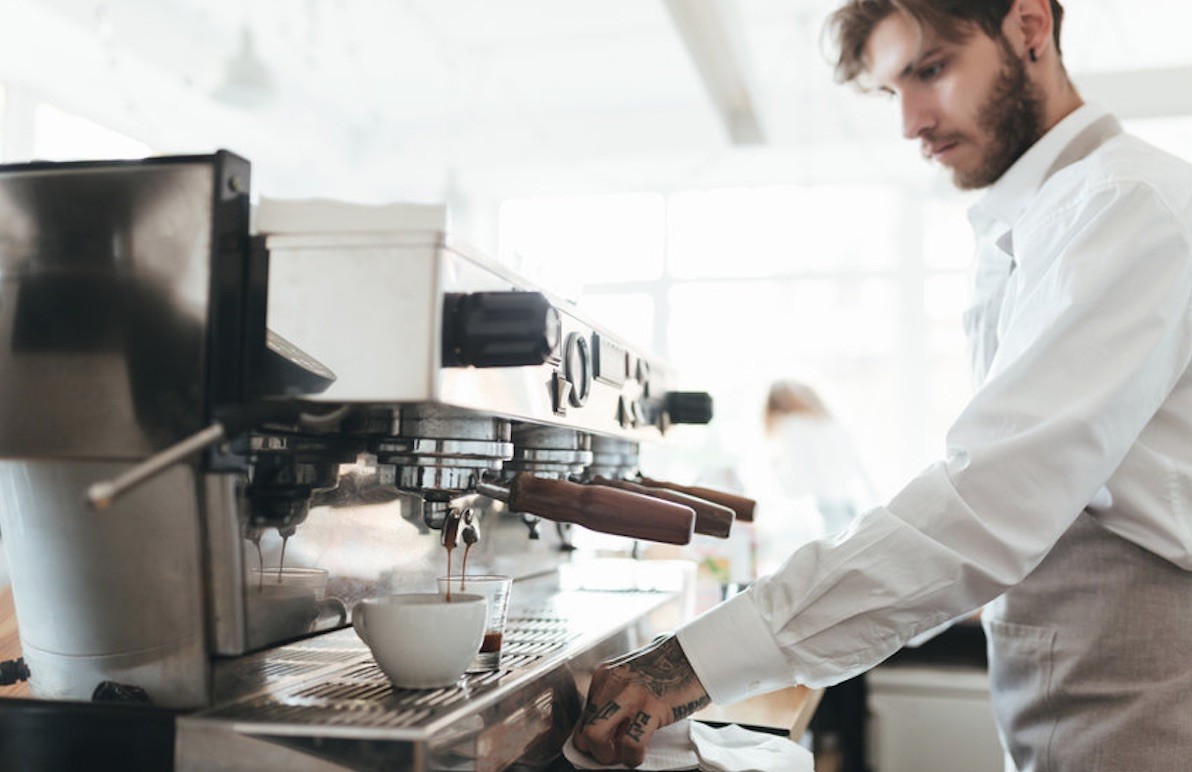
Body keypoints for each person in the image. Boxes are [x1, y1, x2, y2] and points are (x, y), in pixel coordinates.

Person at [571, 1, 1192, 770]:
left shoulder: (1123, 206)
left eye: (930, 71)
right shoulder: (1036, 223)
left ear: (1030, 28)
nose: (910, 122)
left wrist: (693, 661)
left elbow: (986, 502)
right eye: (891, 90)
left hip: (1147, 702)